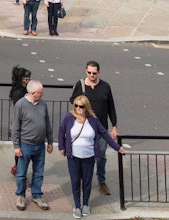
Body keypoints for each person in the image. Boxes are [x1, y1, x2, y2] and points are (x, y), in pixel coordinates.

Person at [58, 96, 125, 218]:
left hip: (89, 156)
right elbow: (61, 131)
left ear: (86, 107)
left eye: (81, 106)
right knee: (75, 181)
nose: (78, 108)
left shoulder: (93, 120)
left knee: (87, 182)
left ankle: (86, 205)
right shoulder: (69, 117)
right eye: (76, 106)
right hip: (73, 156)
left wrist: (117, 147)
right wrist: (61, 147)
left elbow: (104, 134)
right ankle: (77, 206)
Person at [70, 60, 119, 196]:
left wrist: (114, 126)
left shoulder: (105, 86)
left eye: (94, 73)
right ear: (86, 71)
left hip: (101, 128)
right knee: (83, 155)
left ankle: (101, 181)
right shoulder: (80, 85)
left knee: (101, 155)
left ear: (99, 72)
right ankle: (83, 180)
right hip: (85, 129)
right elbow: (73, 101)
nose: (91, 75)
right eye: (89, 72)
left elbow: (111, 107)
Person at [11, 79, 53, 211]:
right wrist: (16, 146)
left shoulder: (42, 103)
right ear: (32, 92)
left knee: (39, 173)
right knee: (22, 173)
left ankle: (37, 195)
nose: (42, 95)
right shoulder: (20, 105)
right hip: (25, 145)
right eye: (40, 92)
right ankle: (20, 196)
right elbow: (15, 127)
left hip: (40, 145)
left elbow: (47, 122)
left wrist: (50, 141)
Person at [9, 65, 33, 175]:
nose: (28, 80)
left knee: (21, 149)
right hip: (22, 124)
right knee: (21, 149)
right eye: (26, 78)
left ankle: (17, 168)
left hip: (23, 123)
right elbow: (22, 108)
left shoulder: (23, 90)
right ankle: (19, 170)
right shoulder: (19, 93)